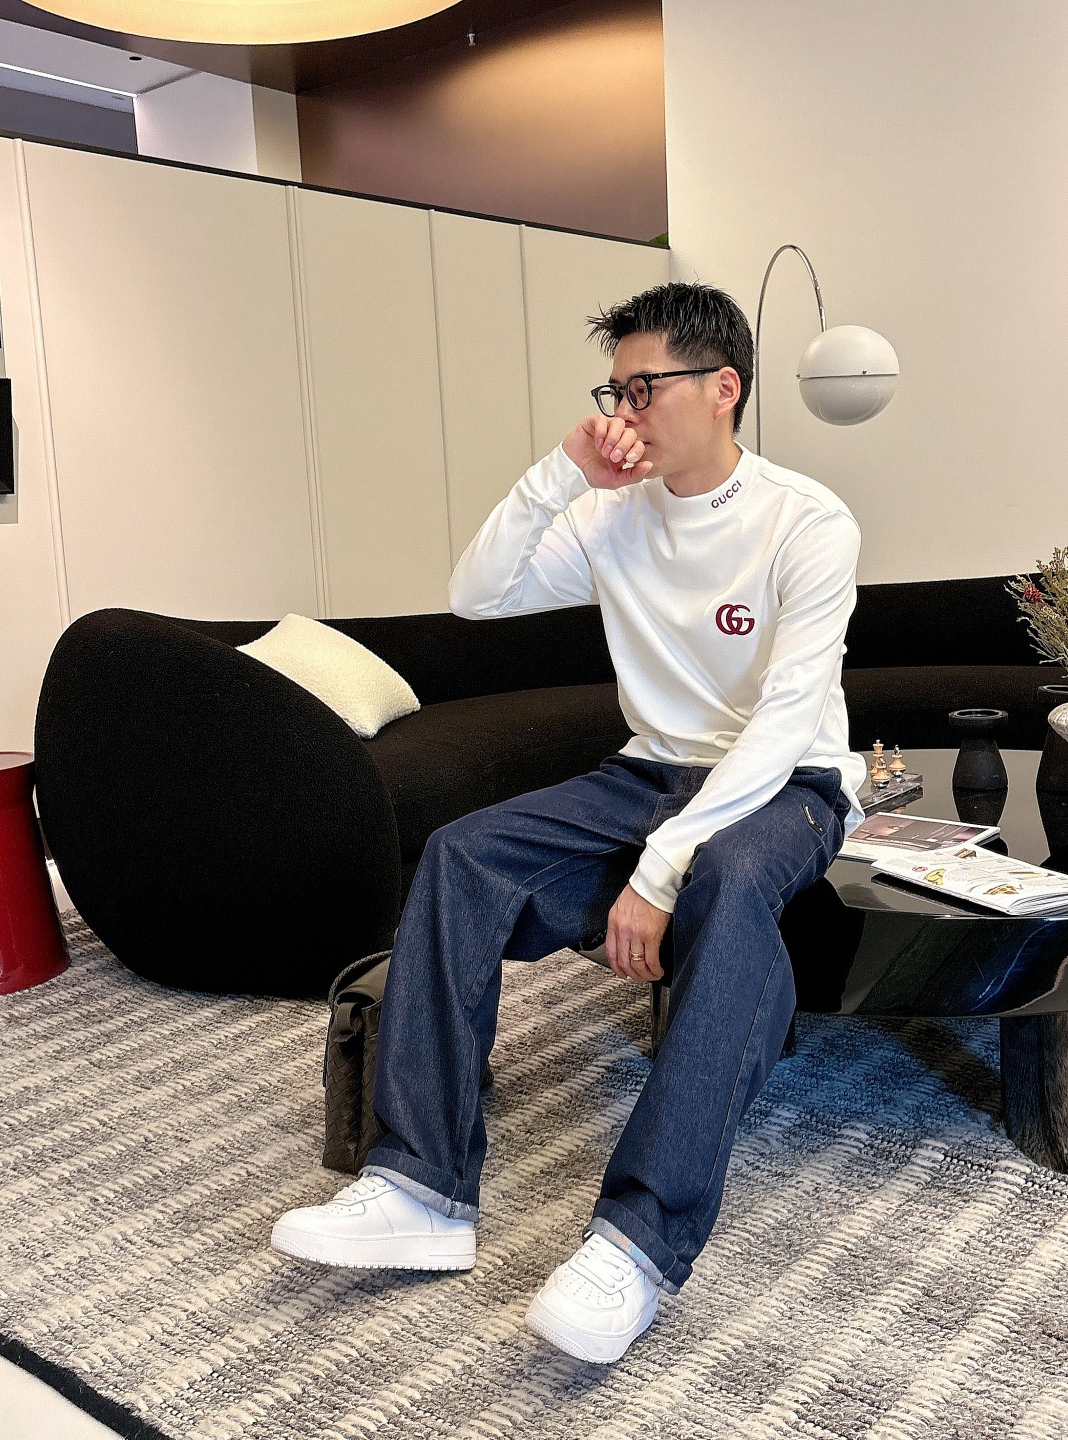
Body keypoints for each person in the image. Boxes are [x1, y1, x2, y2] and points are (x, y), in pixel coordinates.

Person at [271, 281, 868, 1364]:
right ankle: (421, 1188)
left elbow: (785, 723)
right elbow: (475, 594)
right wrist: (560, 475)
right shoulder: (608, 512)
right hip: (648, 770)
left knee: (729, 883)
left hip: (789, 781)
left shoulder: (808, 520)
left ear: (723, 388)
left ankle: (639, 1241)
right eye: (615, 390)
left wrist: (659, 872)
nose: (624, 411)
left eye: (646, 388)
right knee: (463, 856)